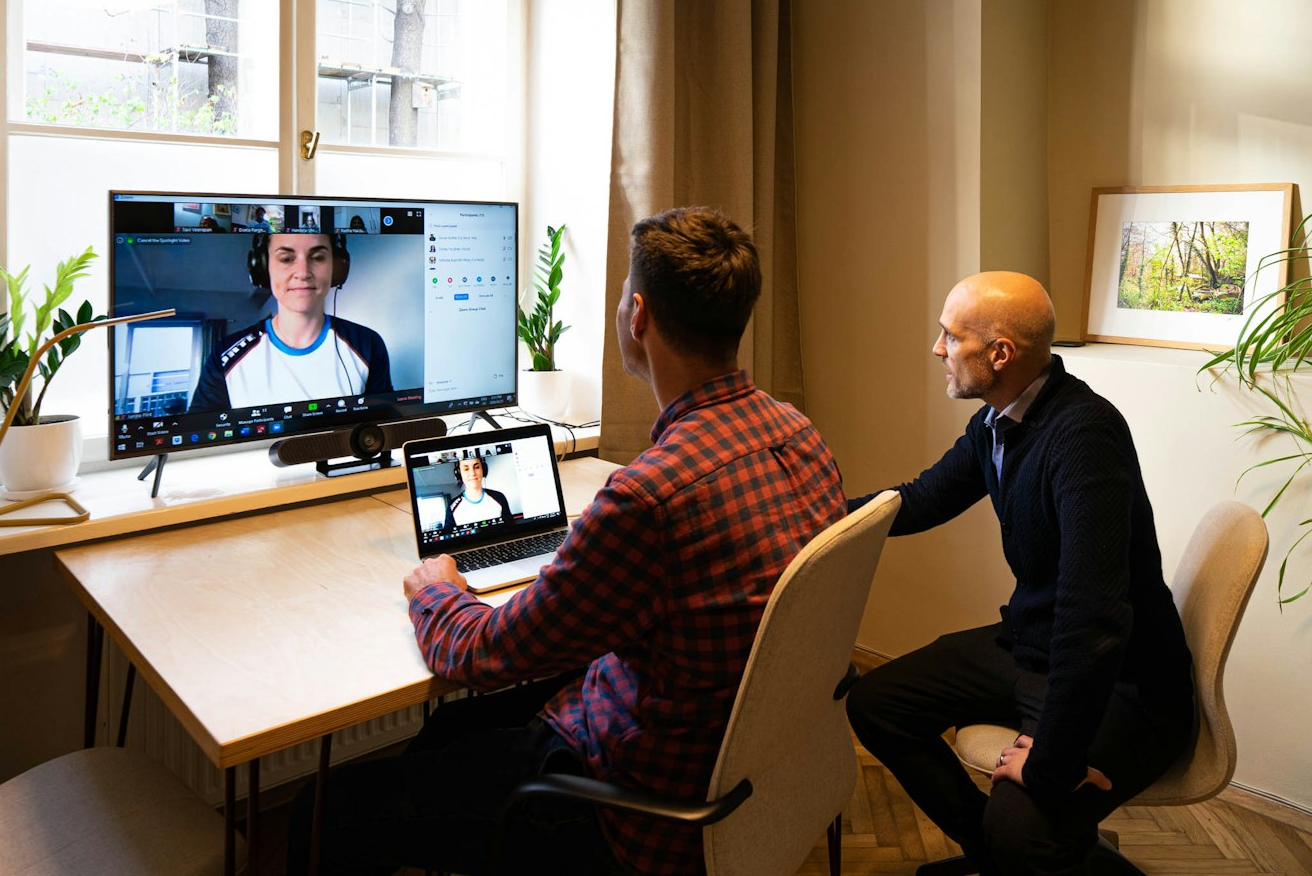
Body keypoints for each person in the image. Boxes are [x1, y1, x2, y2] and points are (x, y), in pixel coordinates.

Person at [287, 206, 845, 876]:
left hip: (634, 809)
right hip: (746, 766)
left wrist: (437, 593)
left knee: (322, 811)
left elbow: (486, 653)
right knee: (446, 733)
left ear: (637, 316)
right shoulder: (796, 432)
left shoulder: (648, 498)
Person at [844, 272, 1195, 876]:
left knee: (1022, 825)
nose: (938, 350)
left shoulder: (1084, 435)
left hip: (1123, 681)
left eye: (949, 336)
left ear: (999, 353)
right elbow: (921, 498)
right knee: (878, 703)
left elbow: (1094, 621)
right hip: (1032, 646)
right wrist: (806, 513)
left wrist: (1051, 761)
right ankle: (998, 857)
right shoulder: (996, 422)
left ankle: (1019, 850)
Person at [189, 232, 391, 411]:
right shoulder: (224, 356)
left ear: (337, 267)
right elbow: (202, 443)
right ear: (262, 267)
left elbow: (382, 430)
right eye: (286, 258)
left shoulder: (368, 344)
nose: (303, 273)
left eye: (318, 257)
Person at [443, 453, 511, 526]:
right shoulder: (452, 506)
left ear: (483, 470)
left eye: (477, 467)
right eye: (466, 469)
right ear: (459, 474)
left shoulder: (499, 497)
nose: (472, 473)